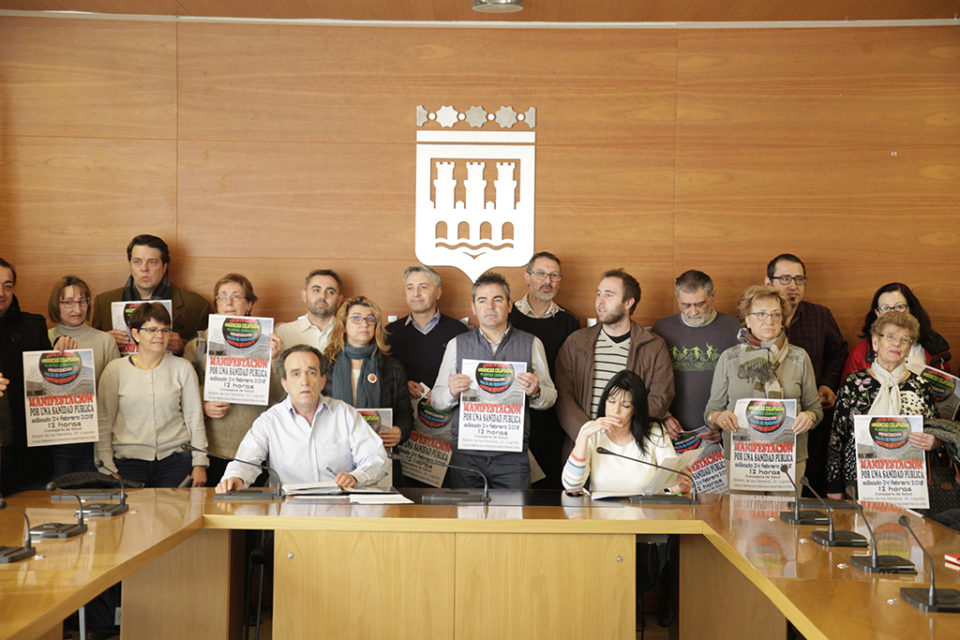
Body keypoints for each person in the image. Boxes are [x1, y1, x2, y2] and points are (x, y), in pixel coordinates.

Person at [432, 271, 557, 489]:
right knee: (466, 521)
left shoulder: (531, 343)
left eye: (497, 299)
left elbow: (551, 396)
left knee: (512, 521)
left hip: (512, 458)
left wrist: (536, 392)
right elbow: (436, 401)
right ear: (473, 307)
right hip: (466, 457)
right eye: (482, 300)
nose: (490, 306)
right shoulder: (457, 344)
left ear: (510, 305)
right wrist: (451, 392)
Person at [216, 345, 389, 492]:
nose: (304, 381)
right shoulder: (270, 420)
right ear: (284, 383)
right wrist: (235, 478)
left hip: (341, 509)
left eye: (311, 372)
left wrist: (355, 477)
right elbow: (246, 461)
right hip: (289, 511)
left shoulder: (344, 413)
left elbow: (377, 460)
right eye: (295, 374)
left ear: (322, 381)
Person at [703, 285, 823, 486]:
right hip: (742, 459)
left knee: (785, 516)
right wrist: (718, 417)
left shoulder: (799, 357)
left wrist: (809, 417)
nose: (769, 320)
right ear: (747, 319)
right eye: (761, 314)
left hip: (788, 458)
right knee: (742, 516)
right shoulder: (730, 358)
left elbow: (815, 409)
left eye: (776, 314)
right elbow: (710, 411)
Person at [555, 268, 674, 461]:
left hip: (632, 450)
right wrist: (588, 432)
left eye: (609, 295)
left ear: (628, 302)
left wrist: (625, 433)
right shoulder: (575, 342)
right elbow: (562, 395)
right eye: (599, 294)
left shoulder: (654, 346)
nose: (600, 302)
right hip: (583, 446)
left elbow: (661, 397)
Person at [826, 311, 940, 499]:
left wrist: (935, 442)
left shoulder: (922, 386)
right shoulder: (854, 383)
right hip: (857, 481)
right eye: (890, 337)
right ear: (875, 342)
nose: (897, 343)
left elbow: (937, 434)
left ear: (910, 348)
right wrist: (834, 487)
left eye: (905, 339)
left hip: (908, 484)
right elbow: (837, 438)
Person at [96, 303, 208, 487]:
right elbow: (103, 421)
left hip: (175, 462)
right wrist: (106, 467)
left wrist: (200, 462)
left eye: (165, 330)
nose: (160, 335)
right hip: (127, 463)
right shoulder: (115, 370)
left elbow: (194, 418)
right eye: (152, 330)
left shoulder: (183, 368)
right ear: (135, 334)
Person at [183, 274, 280, 485]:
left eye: (236, 296)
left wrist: (275, 359)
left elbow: (279, 397)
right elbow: (182, 395)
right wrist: (203, 405)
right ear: (216, 302)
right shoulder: (197, 344)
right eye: (223, 296)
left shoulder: (268, 343)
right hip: (210, 449)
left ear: (250, 303)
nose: (229, 302)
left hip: (255, 449)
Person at [765, 253, 847, 495]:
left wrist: (828, 384)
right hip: (766, 423)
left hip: (810, 419)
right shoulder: (757, 317)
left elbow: (839, 352)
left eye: (799, 279)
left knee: (809, 487)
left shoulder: (820, 316)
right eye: (785, 278)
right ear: (768, 282)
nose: (793, 286)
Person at [508, 251, 580, 489]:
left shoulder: (570, 322)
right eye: (540, 274)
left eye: (554, 276)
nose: (547, 281)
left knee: (551, 490)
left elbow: (573, 375)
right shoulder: (508, 316)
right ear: (527, 277)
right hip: (511, 418)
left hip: (555, 420)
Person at [323, 296, 412, 484]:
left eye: (370, 319)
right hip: (333, 460)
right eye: (356, 318)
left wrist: (400, 431)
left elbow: (405, 413)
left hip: (378, 460)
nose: (364, 323)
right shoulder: (325, 365)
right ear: (343, 325)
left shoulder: (392, 366)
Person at [562, 370, 689, 494]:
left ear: (635, 409)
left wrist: (680, 485)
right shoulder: (591, 431)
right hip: (602, 512)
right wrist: (584, 436)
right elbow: (571, 485)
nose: (615, 410)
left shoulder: (655, 431)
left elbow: (672, 482)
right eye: (611, 402)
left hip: (646, 512)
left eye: (625, 405)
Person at [46, 275, 121, 475]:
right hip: (55, 436)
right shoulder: (45, 337)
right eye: (68, 302)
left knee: (92, 494)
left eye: (83, 301)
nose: (77, 309)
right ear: (57, 304)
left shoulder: (105, 341)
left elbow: (113, 394)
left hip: (93, 436)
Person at [652, 270, 739, 440]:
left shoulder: (735, 328)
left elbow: (745, 386)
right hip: (673, 434)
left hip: (723, 431)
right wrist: (664, 416)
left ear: (713, 295)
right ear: (677, 297)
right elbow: (652, 380)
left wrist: (724, 426)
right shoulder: (662, 329)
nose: (693, 312)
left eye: (700, 304)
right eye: (685, 305)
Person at [91, 234, 210, 355]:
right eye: (137, 262)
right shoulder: (104, 302)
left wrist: (183, 346)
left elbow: (204, 356)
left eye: (152, 262)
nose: (144, 268)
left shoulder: (196, 305)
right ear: (130, 265)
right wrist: (105, 341)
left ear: (164, 267)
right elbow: (96, 353)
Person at [0, 258, 57, 495]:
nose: (1, 293)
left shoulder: (33, 327)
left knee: (23, 524)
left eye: (8, 285)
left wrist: (61, 354)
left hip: (23, 449)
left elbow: (46, 383)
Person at [385, 264, 468, 404]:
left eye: (423, 287)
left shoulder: (459, 331)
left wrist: (444, 394)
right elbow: (382, 375)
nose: (416, 293)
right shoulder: (390, 332)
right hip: (404, 412)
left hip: (446, 415)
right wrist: (401, 384)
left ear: (438, 293)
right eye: (410, 288)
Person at [841, 282, 951, 380]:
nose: (892, 313)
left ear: (910, 309)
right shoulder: (860, 352)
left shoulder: (935, 348)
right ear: (877, 313)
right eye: (885, 308)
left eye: (899, 306)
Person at [275, 268, 343, 354]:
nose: (322, 296)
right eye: (316, 290)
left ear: (339, 300)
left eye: (330, 292)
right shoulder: (282, 332)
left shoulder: (349, 333)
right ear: (304, 296)